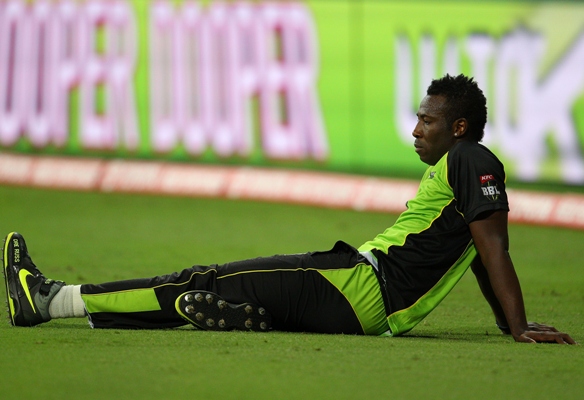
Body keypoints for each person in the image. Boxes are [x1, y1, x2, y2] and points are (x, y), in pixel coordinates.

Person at [2, 74, 576, 344]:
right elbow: (479, 249)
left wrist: (517, 325)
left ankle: (49, 300)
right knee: (204, 293)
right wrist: (508, 322)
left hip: (358, 285)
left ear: (459, 126)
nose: (415, 130)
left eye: (427, 120)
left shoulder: (470, 158)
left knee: (202, 279)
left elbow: (493, 249)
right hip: (365, 301)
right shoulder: (466, 170)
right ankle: (248, 316)